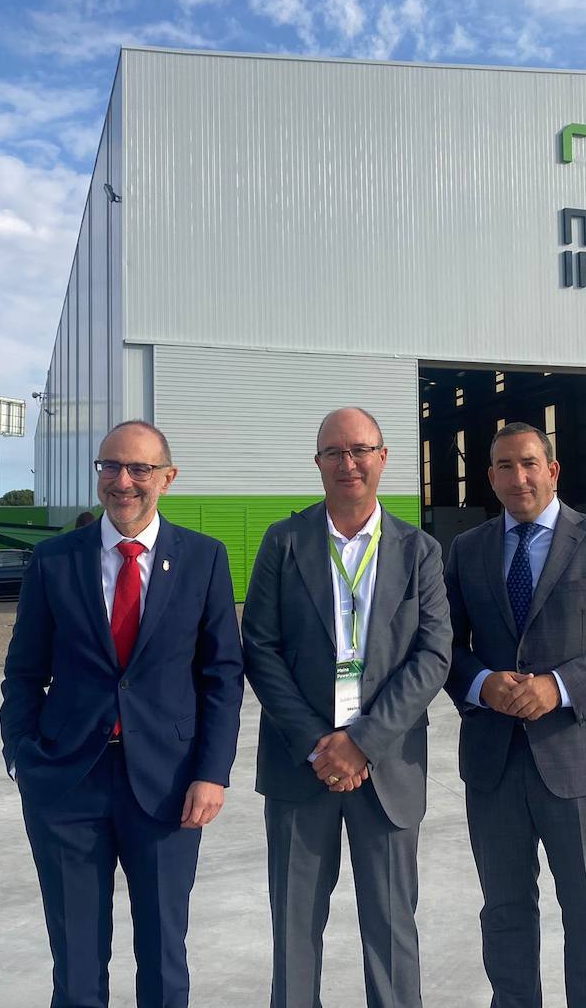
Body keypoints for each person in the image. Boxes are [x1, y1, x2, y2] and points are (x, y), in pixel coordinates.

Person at [0, 420, 244, 1008]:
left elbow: (221, 675)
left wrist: (212, 773)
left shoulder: (203, 559)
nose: (123, 481)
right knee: (77, 958)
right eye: (110, 466)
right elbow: (24, 672)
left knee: (163, 955)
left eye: (138, 469)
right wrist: (22, 759)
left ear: (167, 477)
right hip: (66, 784)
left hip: (168, 786)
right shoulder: (55, 560)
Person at [443, 422, 586, 1008]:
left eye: (530, 463)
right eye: (505, 467)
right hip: (494, 762)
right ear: (489, 478)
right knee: (505, 909)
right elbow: (443, 648)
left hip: (579, 759)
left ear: (553, 469)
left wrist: (559, 686)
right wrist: (483, 684)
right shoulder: (467, 551)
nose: (519, 477)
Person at [241, 407, 451, 1008]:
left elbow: (433, 656)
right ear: (318, 464)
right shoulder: (284, 542)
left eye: (360, 450)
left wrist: (362, 742)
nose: (348, 463)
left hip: (386, 768)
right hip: (298, 766)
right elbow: (260, 646)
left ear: (383, 458)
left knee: (391, 932)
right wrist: (318, 742)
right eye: (334, 452)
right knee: (294, 930)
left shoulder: (420, 551)